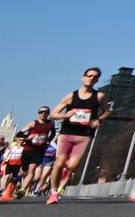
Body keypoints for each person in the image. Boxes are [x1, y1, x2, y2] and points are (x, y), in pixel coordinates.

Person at [47, 66, 109, 204]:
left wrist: (98, 120)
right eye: (89, 75)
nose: (91, 78)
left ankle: (62, 180)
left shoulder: (99, 96)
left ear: (97, 80)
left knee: (72, 167)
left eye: (94, 76)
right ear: (83, 77)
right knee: (59, 163)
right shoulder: (71, 96)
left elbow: (107, 111)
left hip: (84, 135)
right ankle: (53, 192)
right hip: (67, 133)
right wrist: (65, 115)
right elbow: (53, 114)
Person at [20, 106, 56, 197]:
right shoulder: (33, 123)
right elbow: (19, 133)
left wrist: (48, 141)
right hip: (28, 149)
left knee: (32, 169)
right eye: (41, 112)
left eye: (45, 112)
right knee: (24, 172)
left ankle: (22, 190)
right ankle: (23, 182)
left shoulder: (51, 123)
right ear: (38, 114)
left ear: (48, 114)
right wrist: (27, 138)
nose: (43, 113)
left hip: (39, 151)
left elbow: (53, 133)